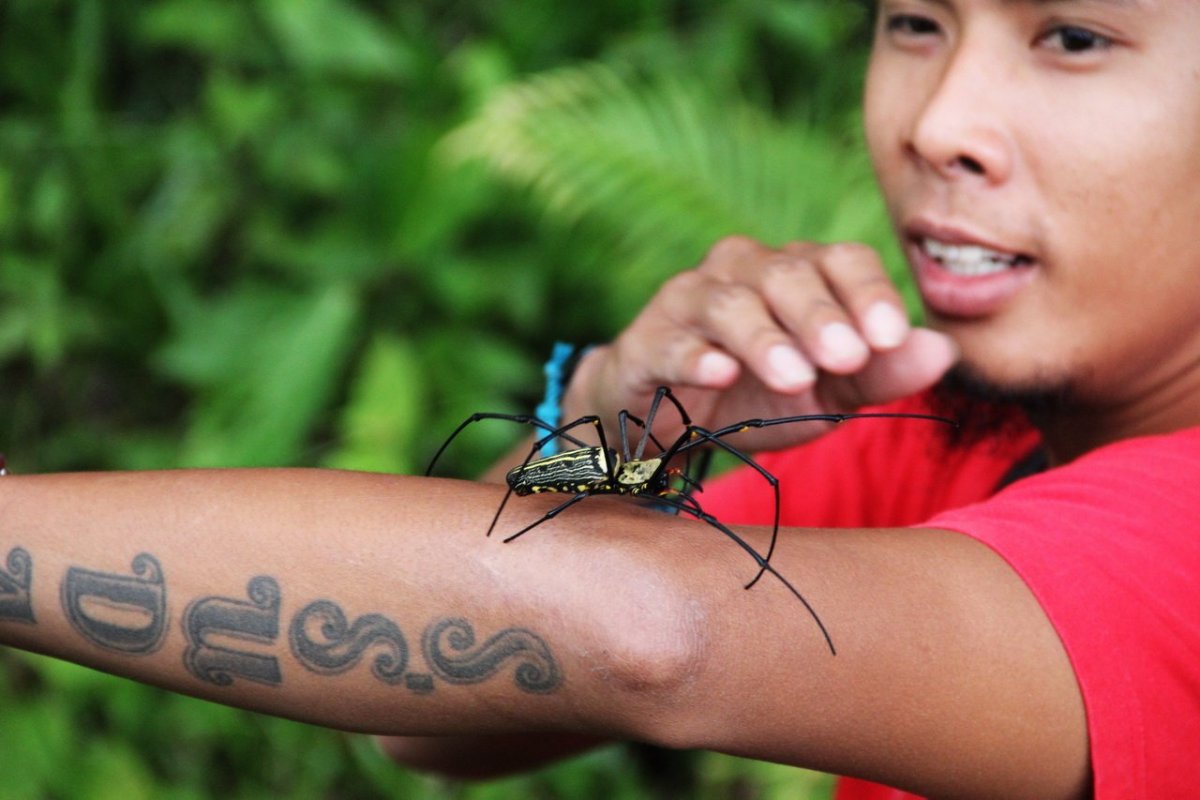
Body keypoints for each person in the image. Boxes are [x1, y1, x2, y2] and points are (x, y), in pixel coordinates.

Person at [0, 1, 1196, 798]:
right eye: (915, 21)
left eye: (1076, 35)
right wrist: (616, 420)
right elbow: (432, 721)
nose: (938, 123)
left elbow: (646, 628)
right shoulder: (948, 449)